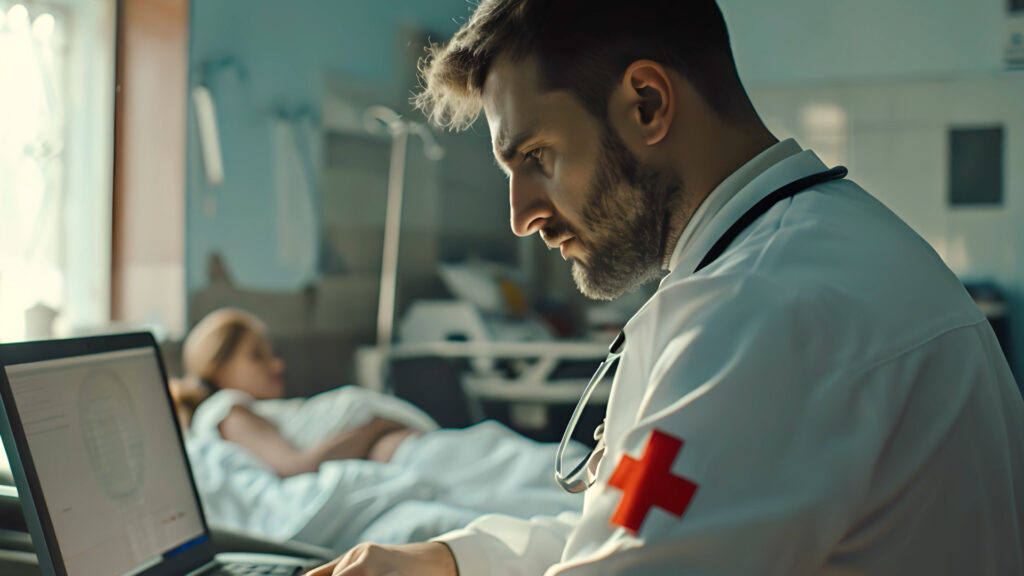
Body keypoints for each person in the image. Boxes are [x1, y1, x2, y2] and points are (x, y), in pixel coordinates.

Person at [307, 1, 1024, 574]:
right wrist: (449, 561)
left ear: (647, 102)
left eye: (536, 156)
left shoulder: (765, 309)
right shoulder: (810, 254)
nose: (522, 216)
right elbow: (639, 527)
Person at [172, 308, 436, 477]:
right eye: (257, 356)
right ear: (217, 368)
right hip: (409, 453)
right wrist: (375, 427)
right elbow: (299, 467)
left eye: (272, 354)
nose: (277, 365)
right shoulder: (226, 409)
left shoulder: (255, 410)